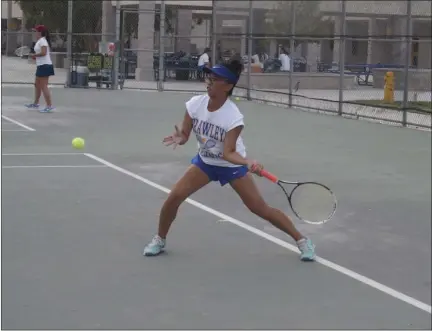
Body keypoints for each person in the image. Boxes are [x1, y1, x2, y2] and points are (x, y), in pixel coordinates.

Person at [143, 59, 316, 261]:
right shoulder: (194, 105)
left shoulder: (232, 117)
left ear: (228, 85)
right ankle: (159, 239)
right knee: (174, 197)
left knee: (259, 208)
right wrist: (181, 138)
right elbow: (185, 134)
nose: (209, 81)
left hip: (231, 165)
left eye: (216, 79)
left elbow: (229, 153)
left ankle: (302, 240)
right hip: (205, 163)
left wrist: (247, 162)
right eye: (209, 77)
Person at [25, 25, 55, 113]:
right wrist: (35, 57)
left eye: (35, 31)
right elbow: (40, 54)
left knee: (43, 86)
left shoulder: (42, 41)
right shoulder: (40, 41)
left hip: (45, 66)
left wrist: (34, 55)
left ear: (40, 32)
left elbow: (44, 53)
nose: (34, 33)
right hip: (41, 65)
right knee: (37, 84)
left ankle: (49, 106)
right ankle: (36, 103)